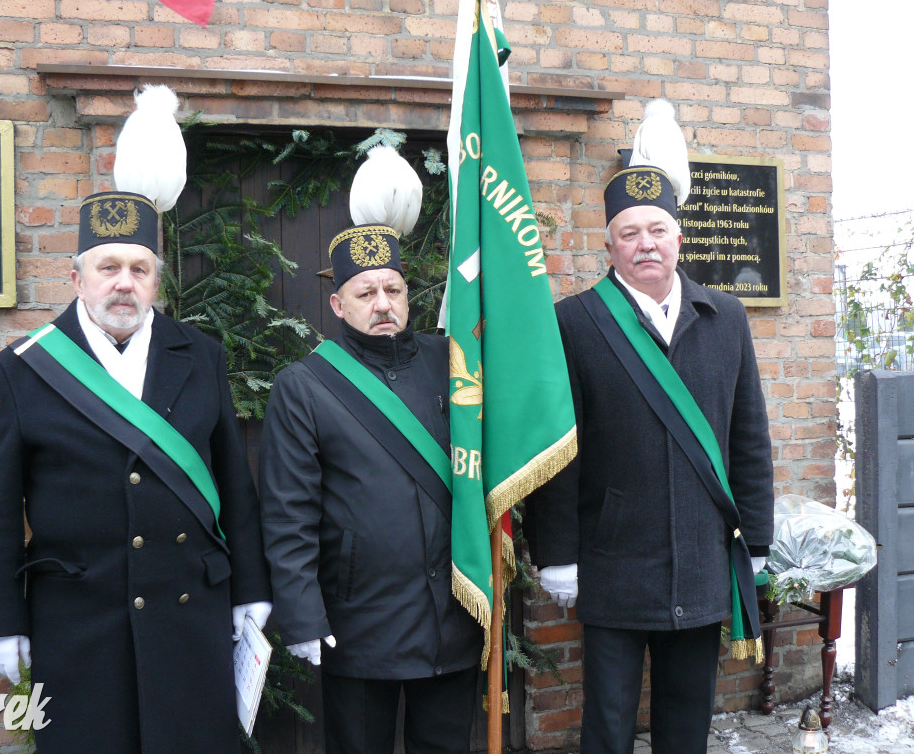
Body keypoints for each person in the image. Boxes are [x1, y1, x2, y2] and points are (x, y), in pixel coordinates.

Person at [0, 85, 272, 754]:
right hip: (78, 622)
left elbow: (233, 484)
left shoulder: (202, 356)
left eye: (139, 267)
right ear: (77, 278)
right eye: (107, 267)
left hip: (192, 617)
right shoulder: (25, 368)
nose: (123, 283)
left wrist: (251, 591)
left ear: (156, 280)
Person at [524, 100, 774, 754]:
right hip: (612, 565)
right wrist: (558, 555)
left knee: (687, 724)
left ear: (678, 238)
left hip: (700, 559)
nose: (645, 245)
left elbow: (747, 438)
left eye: (657, 230)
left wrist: (761, 540)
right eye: (630, 233)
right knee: (607, 726)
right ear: (610, 244)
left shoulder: (726, 318)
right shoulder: (575, 321)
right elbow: (558, 450)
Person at [259, 219, 483, 754]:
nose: (382, 304)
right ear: (339, 306)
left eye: (393, 289)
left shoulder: (452, 363)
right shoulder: (305, 386)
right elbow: (288, 512)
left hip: (451, 615)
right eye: (365, 292)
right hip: (359, 622)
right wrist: (303, 616)